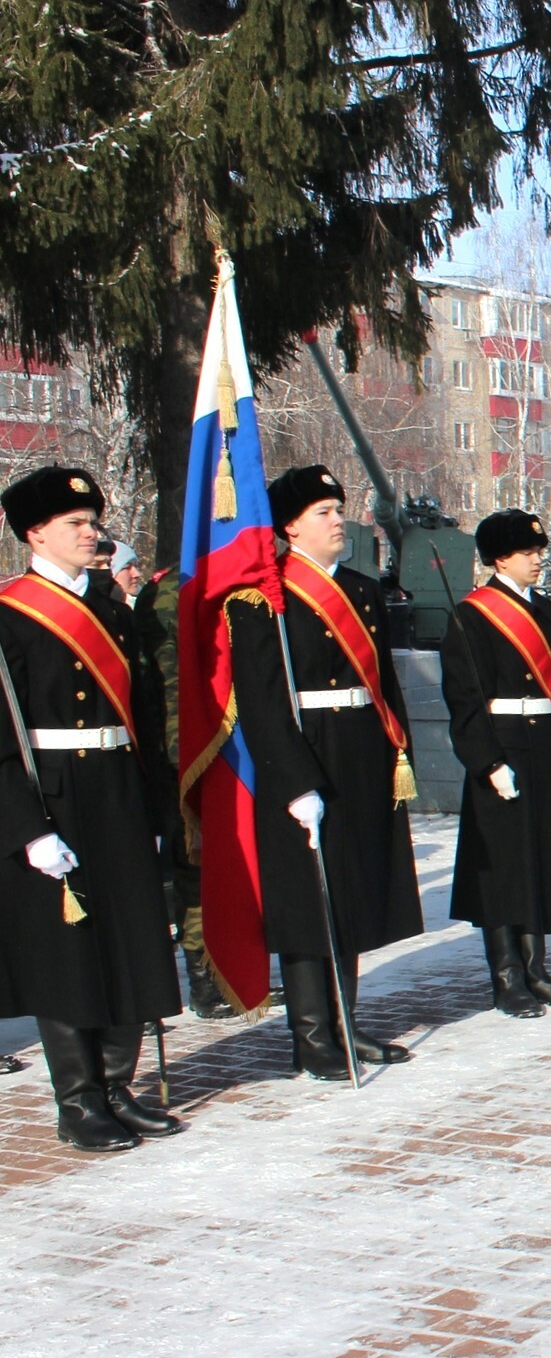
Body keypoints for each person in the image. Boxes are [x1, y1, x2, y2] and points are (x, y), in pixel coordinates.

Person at [0, 466, 183, 1150]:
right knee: (69, 953)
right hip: (53, 792)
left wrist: (158, 801)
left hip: (118, 785)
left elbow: (142, 709)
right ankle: (77, 1100)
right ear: (34, 532)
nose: (91, 532)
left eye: (92, 520)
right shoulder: (10, 613)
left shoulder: (112, 609)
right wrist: (26, 827)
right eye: (75, 523)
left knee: (131, 937)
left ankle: (116, 1085)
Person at [228, 465, 425, 1078]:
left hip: (362, 750)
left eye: (339, 508)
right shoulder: (265, 597)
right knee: (309, 900)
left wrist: (400, 747)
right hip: (305, 753)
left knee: (350, 894)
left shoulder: (364, 591)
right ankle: (312, 1036)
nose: (339, 519)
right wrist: (294, 781)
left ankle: (344, 1020)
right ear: (288, 526)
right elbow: (259, 700)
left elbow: (385, 683)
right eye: (323, 512)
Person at [440, 509, 551, 1017]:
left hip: (545, 742)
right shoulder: (475, 615)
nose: (538, 560)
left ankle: (537, 968)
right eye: (528, 553)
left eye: (539, 551)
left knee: (543, 859)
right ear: (500, 558)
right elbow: (464, 701)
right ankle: (506, 976)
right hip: (503, 746)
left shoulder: (547, 612)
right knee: (505, 868)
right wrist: (487, 762)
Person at [135, 562, 236, 1020]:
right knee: (195, 868)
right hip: (189, 753)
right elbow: (166, 683)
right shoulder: (170, 591)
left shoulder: (244, 579)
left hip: (239, 747)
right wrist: (183, 756)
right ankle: (204, 977)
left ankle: (234, 968)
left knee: (236, 866)